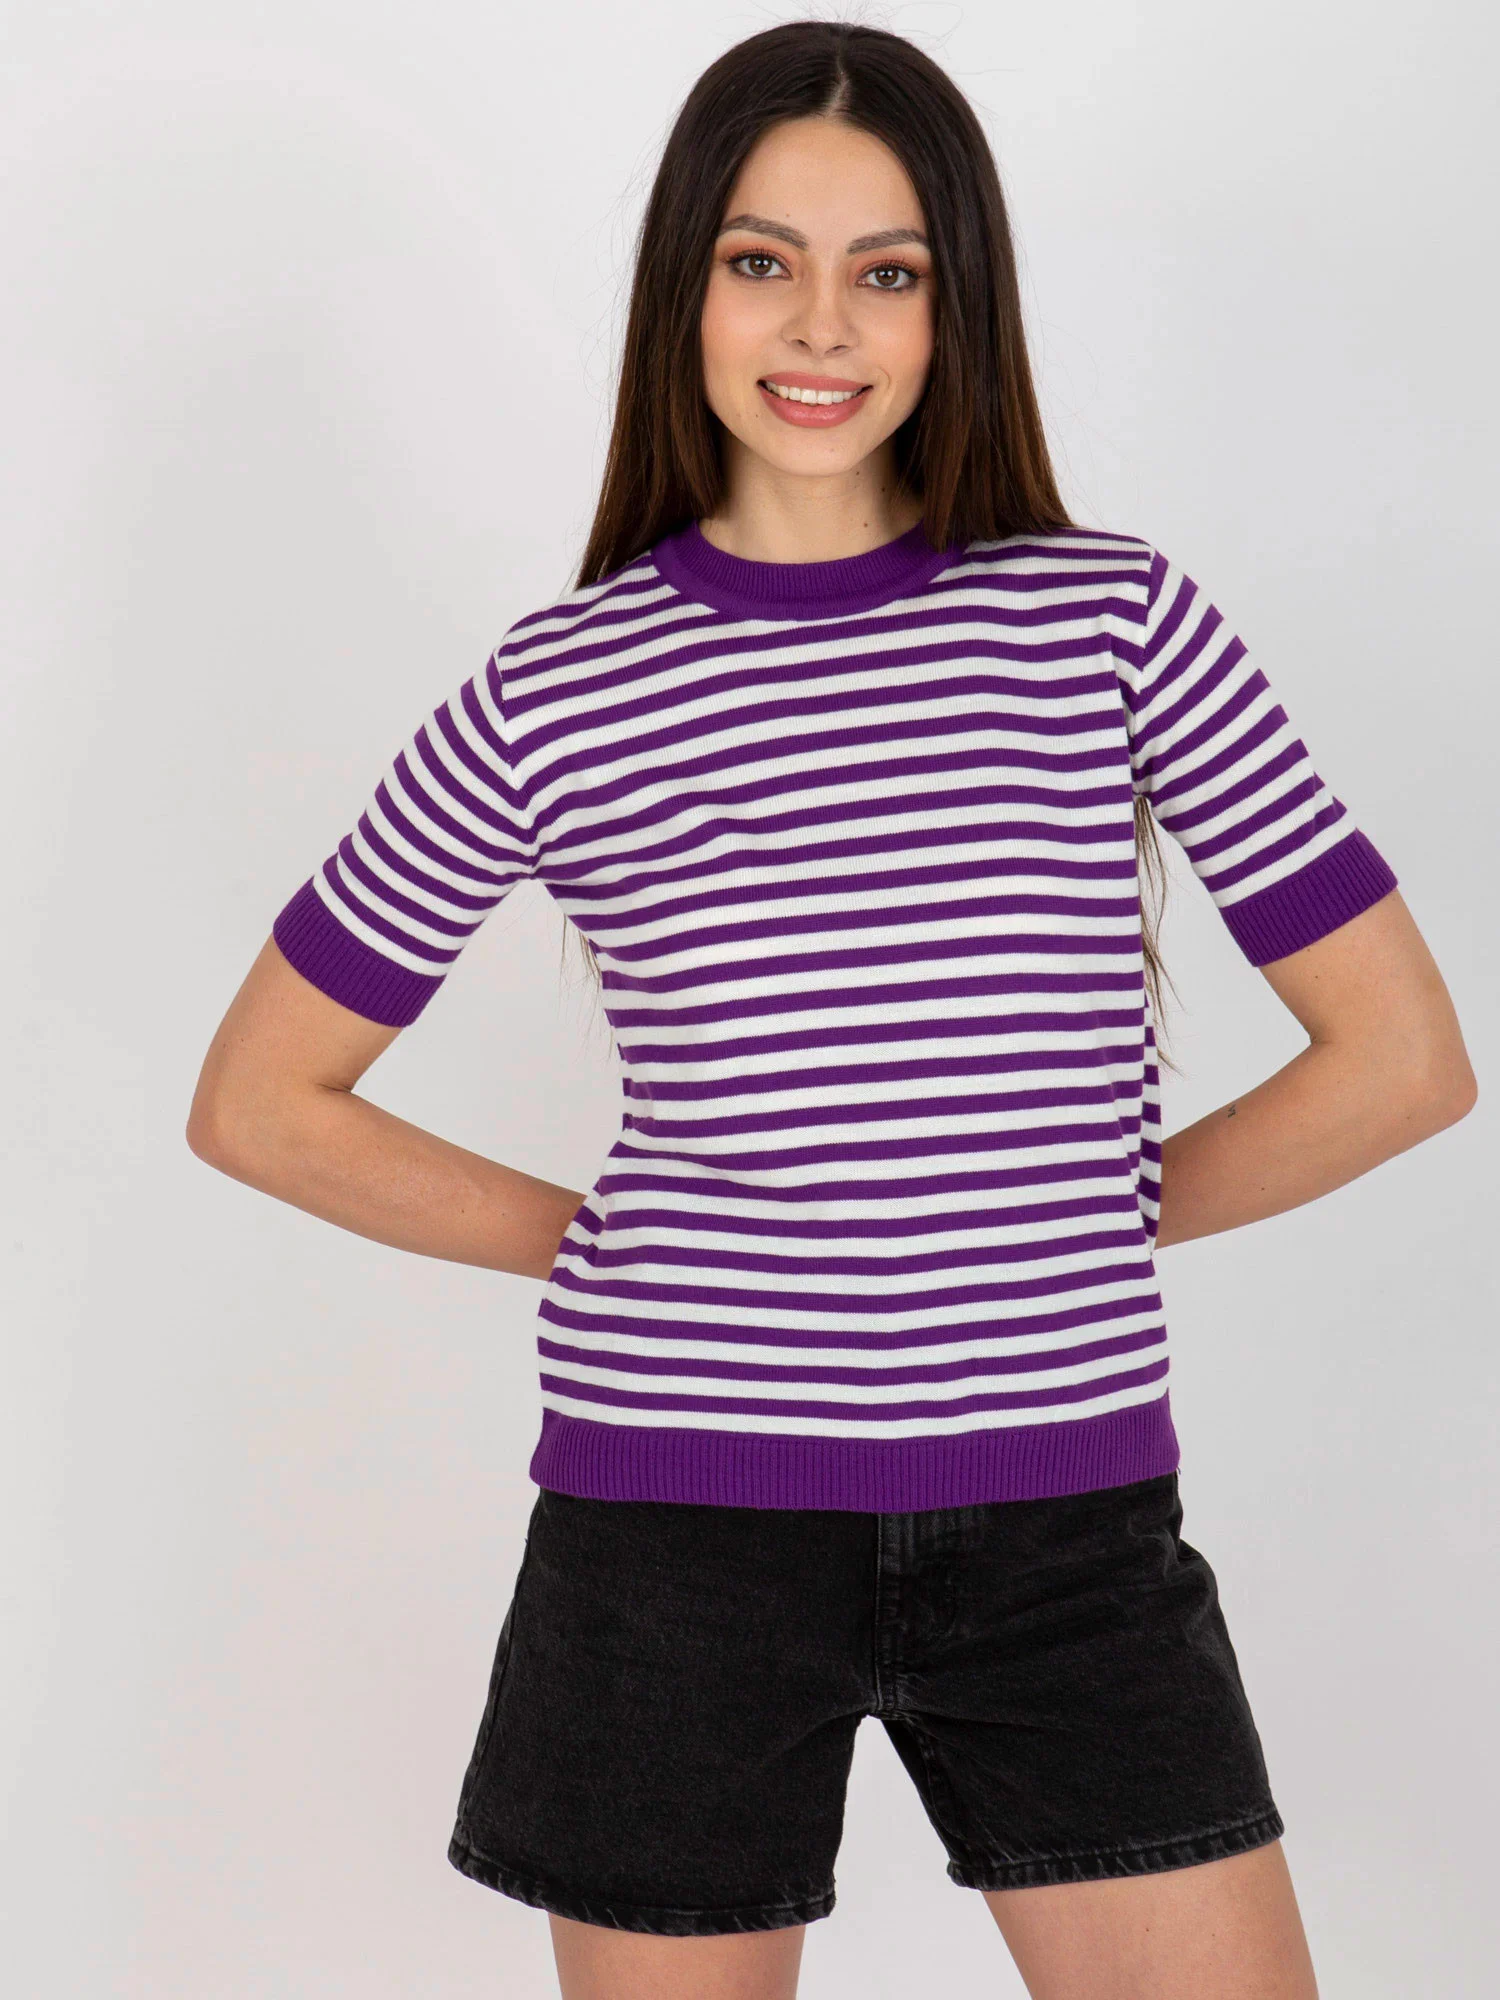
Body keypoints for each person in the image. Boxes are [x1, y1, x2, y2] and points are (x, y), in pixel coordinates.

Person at [185, 21, 1476, 2000]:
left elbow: (1401, 1060)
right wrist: (609, 1244)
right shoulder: (558, 689)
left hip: (1064, 1529)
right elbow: (263, 1100)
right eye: (760, 259)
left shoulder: (1111, 621)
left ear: (959, 309)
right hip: (671, 1540)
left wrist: (1063, 1213)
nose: (821, 324)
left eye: (888, 271)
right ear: (684, 287)